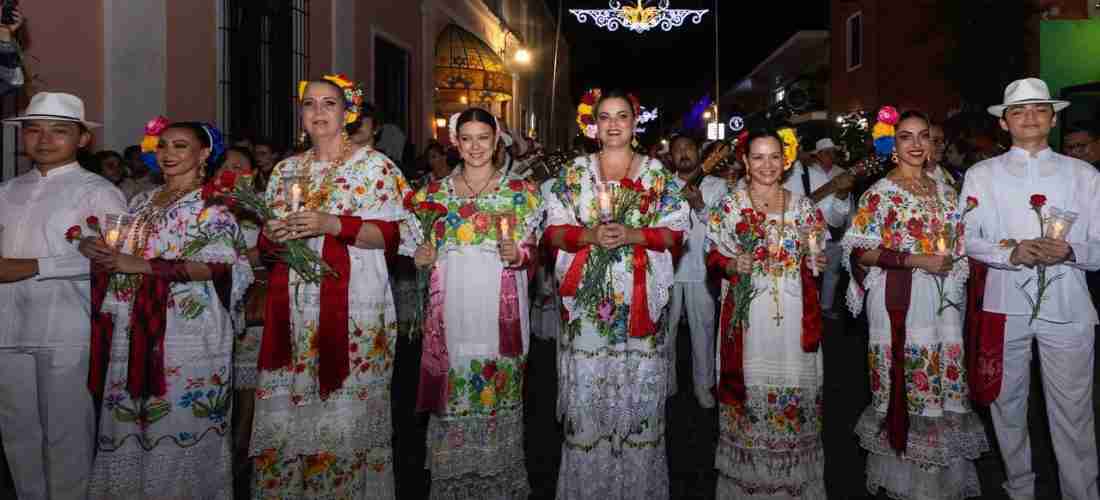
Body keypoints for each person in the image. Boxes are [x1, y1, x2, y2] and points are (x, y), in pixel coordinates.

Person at [250, 75, 418, 499]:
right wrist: (273, 232)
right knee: (289, 413)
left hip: (355, 307)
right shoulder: (286, 169)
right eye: (310, 104)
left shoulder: (375, 166)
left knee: (344, 416)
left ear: (349, 113)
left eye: (329, 103)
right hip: (293, 308)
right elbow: (268, 244)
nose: (319, 112)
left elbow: (402, 236)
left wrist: (332, 224)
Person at [81, 121, 252, 499]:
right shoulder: (142, 200)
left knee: (179, 422)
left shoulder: (214, 205)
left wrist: (139, 265)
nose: (168, 154)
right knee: (130, 424)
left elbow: (219, 266)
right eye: (163, 146)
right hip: (134, 325)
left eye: (180, 146)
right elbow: (126, 252)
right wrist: (100, 252)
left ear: (204, 154)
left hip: (188, 329)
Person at [543, 89, 688, 499]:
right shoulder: (574, 174)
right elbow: (551, 231)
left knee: (638, 395)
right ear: (593, 124)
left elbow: (676, 232)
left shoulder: (656, 174)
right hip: (589, 305)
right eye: (604, 116)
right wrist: (589, 235)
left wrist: (633, 234)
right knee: (590, 393)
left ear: (634, 121)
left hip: (639, 300)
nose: (612, 124)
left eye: (621, 116)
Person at [962, 77, 1100, 500]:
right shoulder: (982, 174)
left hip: (1069, 303)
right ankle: (1020, 487)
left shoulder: (1084, 174)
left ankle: (1082, 492)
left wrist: (1070, 249)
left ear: (1053, 117)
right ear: (1004, 123)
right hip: (1006, 302)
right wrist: (1012, 252)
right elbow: (963, 238)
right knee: (1007, 405)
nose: (1030, 118)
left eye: (1039, 109)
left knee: (1074, 411)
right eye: (1019, 111)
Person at [843, 110, 989, 499]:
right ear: (894, 145)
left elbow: (959, 244)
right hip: (901, 297)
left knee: (945, 378)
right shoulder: (880, 193)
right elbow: (861, 252)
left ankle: (943, 478)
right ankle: (909, 478)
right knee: (908, 381)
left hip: (943, 298)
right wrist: (916, 260)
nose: (916, 144)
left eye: (923, 136)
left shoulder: (945, 189)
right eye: (906, 137)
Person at [0, 92, 127, 500]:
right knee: (17, 434)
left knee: (66, 434)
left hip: (66, 328)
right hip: (7, 327)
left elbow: (112, 256)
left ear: (82, 139)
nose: (44, 139)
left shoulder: (97, 190)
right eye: (34, 129)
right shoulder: (6, 189)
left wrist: (34, 266)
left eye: (59, 131)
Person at [411, 107, 542, 499]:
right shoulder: (432, 194)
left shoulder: (522, 192)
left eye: (483, 138)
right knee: (453, 397)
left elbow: (533, 254)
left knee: (497, 391)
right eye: (466, 138)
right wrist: (422, 257)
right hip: (451, 312)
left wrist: (518, 255)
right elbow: (422, 250)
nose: (475, 147)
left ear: (497, 139)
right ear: (455, 142)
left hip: (499, 313)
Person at [706, 128, 828, 498]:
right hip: (749, 320)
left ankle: (791, 486)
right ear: (744, 162)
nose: (766, 165)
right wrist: (731, 265)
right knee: (751, 397)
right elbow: (713, 257)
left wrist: (815, 260)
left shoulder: (803, 206)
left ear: (785, 160)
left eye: (774, 156)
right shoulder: (730, 206)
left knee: (793, 395)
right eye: (757, 157)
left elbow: (814, 255)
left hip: (794, 319)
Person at [665, 133, 726, 408]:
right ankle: (666, 383)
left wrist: (700, 205)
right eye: (678, 150)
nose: (684, 153)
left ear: (699, 152)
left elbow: (724, 226)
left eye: (688, 147)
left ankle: (704, 386)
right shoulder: (662, 185)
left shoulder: (718, 185)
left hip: (701, 269)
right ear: (671, 156)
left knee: (704, 329)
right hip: (667, 269)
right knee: (665, 330)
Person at [797, 137, 854, 319]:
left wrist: (842, 198)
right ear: (818, 155)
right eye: (826, 152)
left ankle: (825, 307)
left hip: (832, 234)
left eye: (832, 152)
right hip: (797, 240)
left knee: (831, 272)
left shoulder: (841, 174)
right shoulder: (805, 173)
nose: (830, 156)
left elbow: (842, 213)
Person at [928, 123, 962, 190]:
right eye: (935, 141)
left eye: (943, 141)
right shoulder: (911, 178)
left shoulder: (948, 173)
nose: (943, 146)